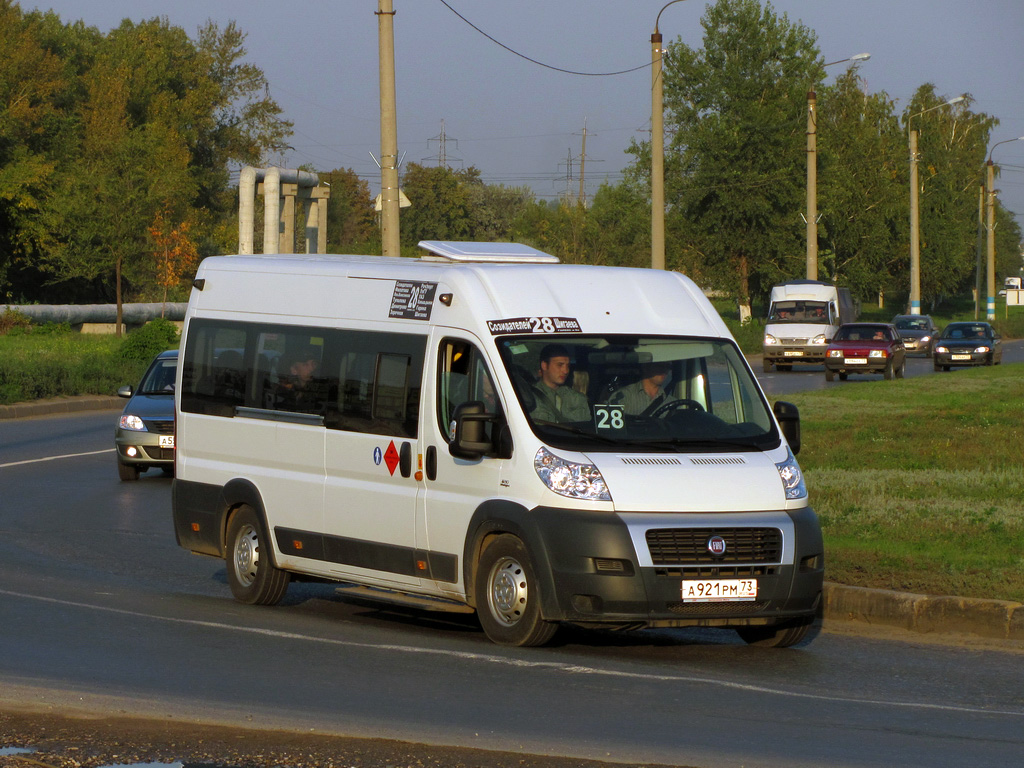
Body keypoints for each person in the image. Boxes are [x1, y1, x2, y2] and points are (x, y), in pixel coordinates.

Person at [530, 344, 590, 423]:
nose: (565, 371)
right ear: (544, 365)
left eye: (568, 366)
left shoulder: (578, 399)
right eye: (559, 365)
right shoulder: (529, 397)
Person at [276, 346, 322, 412]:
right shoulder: (284, 392)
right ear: (294, 370)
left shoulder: (320, 391)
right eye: (305, 365)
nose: (312, 369)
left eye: (314, 364)